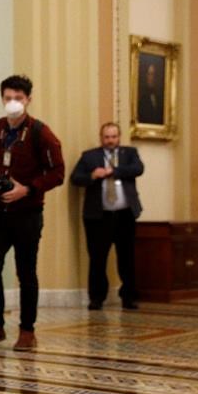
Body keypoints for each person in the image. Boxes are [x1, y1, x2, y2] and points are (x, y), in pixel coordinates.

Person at [0, 74, 64, 351]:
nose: (12, 102)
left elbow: (57, 172)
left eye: (18, 98)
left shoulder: (40, 132)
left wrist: (27, 189)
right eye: (8, 98)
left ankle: (27, 330)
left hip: (27, 213)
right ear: (2, 99)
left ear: (28, 100)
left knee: (26, 272)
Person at [70, 122, 144, 310]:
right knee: (97, 258)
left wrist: (114, 171)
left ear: (119, 137)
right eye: (107, 137)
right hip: (98, 217)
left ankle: (128, 297)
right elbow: (75, 178)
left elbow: (138, 169)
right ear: (101, 138)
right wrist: (92, 176)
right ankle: (96, 298)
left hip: (125, 215)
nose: (110, 140)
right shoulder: (89, 156)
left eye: (114, 136)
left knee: (127, 257)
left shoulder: (129, 153)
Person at [137, 61, 164, 125]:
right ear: (147, 76)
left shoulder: (160, 98)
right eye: (150, 74)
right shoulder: (142, 98)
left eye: (154, 74)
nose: (152, 78)